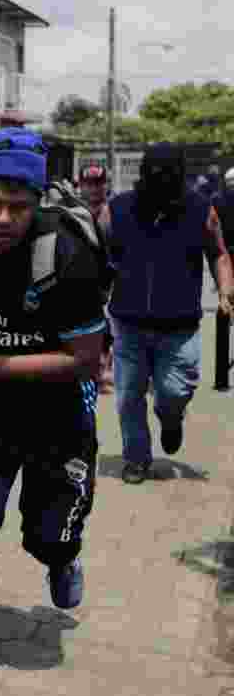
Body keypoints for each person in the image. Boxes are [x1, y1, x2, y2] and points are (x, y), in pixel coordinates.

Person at [0, 128, 105, 693]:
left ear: (37, 203)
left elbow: (82, 362)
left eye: (19, 207)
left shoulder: (69, 257)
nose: (4, 218)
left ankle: (61, 557)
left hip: (59, 415)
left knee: (47, 536)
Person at [108, 144, 234, 484]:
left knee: (173, 392)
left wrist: (225, 292)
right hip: (128, 323)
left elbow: (219, 254)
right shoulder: (118, 209)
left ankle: (171, 418)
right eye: (155, 173)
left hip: (179, 327)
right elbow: (101, 259)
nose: (161, 180)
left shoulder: (200, 210)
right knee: (128, 396)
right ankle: (136, 459)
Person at [77, 163, 115, 392]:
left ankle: (103, 368)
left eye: (98, 184)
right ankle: (92, 370)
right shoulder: (72, 212)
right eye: (89, 184)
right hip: (80, 277)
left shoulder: (114, 212)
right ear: (80, 186)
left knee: (108, 325)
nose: (94, 189)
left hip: (109, 277)